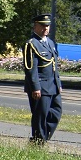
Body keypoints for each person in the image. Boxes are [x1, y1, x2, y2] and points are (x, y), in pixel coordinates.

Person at [23, 14, 63, 143]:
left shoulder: (50, 43)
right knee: (41, 115)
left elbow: (53, 65)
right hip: (40, 86)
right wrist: (35, 87)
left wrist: (58, 84)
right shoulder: (31, 44)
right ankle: (38, 141)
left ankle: (43, 137)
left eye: (48, 25)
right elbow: (30, 68)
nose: (46, 28)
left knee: (56, 112)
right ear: (35, 26)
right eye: (43, 25)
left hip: (52, 85)